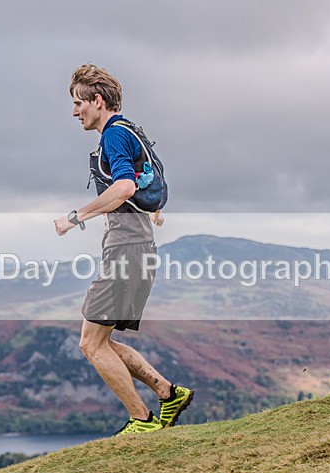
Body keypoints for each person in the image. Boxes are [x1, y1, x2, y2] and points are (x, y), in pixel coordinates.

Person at [54, 64, 193, 436]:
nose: (74, 111)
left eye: (78, 102)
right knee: (101, 340)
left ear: (97, 100)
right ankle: (168, 392)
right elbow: (150, 179)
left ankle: (142, 420)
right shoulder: (132, 131)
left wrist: (76, 216)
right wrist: (156, 211)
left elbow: (126, 187)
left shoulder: (114, 136)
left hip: (127, 249)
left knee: (90, 344)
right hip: (138, 247)